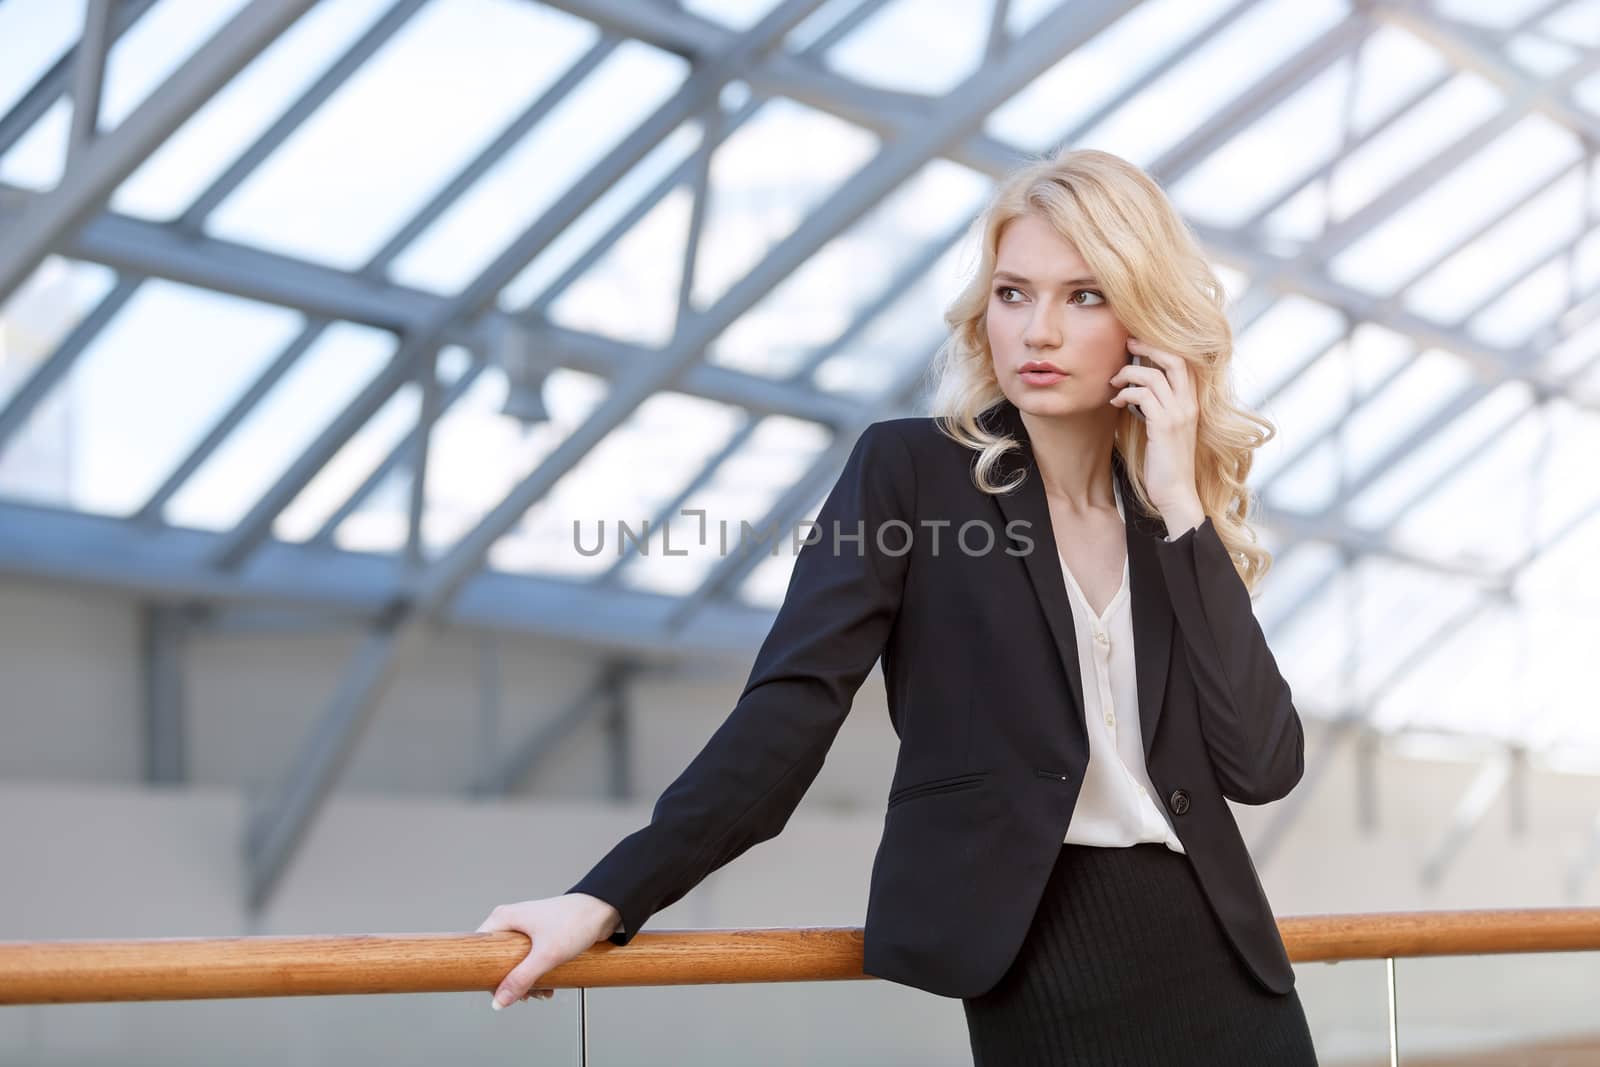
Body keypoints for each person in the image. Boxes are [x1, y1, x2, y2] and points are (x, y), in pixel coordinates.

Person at [476, 147, 1319, 1064]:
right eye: (1012, 293)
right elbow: (792, 704)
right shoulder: (909, 472)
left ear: (1145, 325)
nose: (1038, 330)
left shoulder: (1165, 515)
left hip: (1226, 969)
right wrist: (608, 896)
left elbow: (1263, 763)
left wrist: (1186, 512)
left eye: (1084, 296)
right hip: (1041, 959)